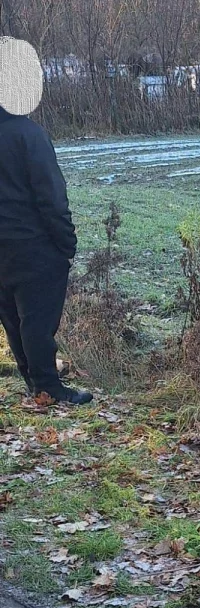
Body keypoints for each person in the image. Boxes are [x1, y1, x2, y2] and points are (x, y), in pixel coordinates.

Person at [0, 102, 93, 405]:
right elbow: (51, 196)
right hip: (33, 245)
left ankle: (35, 381)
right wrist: (66, 243)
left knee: (14, 320)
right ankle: (47, 387)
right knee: (37, 321)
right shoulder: (29, 134)